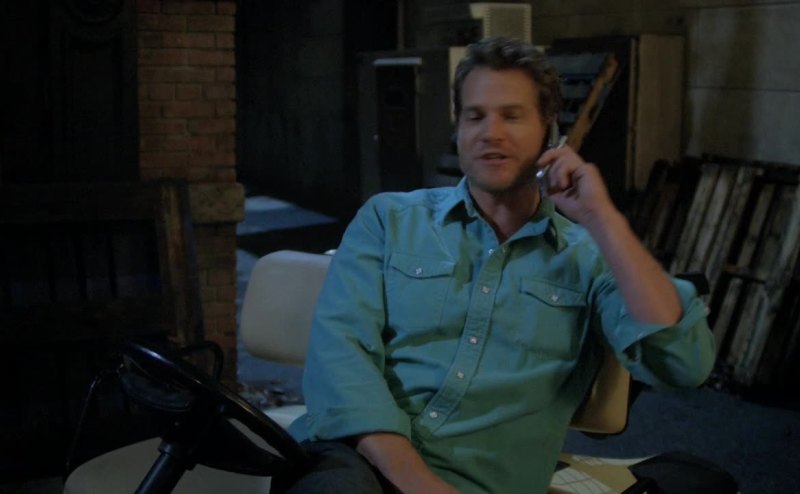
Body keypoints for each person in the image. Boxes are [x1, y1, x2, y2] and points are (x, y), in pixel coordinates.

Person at [273, 36, 716, 494]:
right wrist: (418, 483)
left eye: (512, 115)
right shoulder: (390, 219)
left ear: (549, 131)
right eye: (475, 116)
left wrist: (603, 218)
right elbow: (342, 353)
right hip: (357, 456)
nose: (490, 132)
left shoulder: (589, 258)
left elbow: (684, 366)